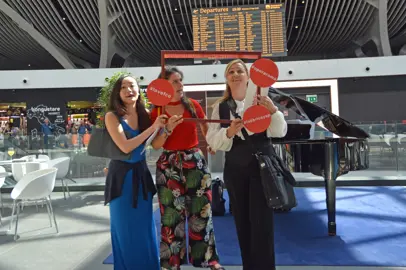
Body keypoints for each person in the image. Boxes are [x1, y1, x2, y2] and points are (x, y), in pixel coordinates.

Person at [206, 59, 288, 270]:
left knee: (262, 225)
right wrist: (230, 132)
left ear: (248, 76)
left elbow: (279, 132)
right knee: (242, 223)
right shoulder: (221, 107)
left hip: (262, 169)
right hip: (235, 170)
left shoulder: (263, 101)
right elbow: (212, 140)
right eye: (230, 71)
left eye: (239, 71)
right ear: (226, 78)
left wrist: (273, 112)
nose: (235, 74)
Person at [150, 66, 225, 270]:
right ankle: (171, 263)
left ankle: (209, 259)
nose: (181, 84)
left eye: (181, 80)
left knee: (201, 212)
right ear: (164, 85)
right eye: (175, 81)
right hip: (168, 166)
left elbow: (205, 127)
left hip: (195, 162)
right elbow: (155, 145)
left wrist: (211, 142)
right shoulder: (157, 111)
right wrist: (167, 129)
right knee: (171, 216)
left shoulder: (192, 105)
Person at [104, 74, 169, 270]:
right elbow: (125, 147)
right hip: (121, 179)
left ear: (138, 90)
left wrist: (166, 129)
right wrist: (153, 128)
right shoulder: (112, 116)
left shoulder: (145, 114)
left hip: (140, 177)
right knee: (124, 230)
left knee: (144, 229)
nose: (128, 90)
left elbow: (156, 144)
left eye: (132, 85)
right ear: (118, 92)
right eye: (123, 87)